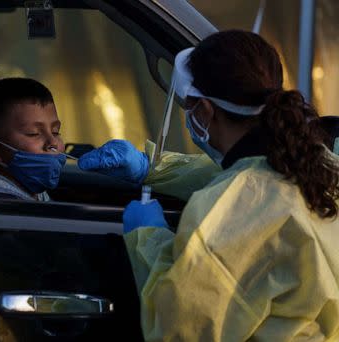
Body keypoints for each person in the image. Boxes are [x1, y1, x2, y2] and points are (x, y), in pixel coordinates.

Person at [97, 30, 339, 341]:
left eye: (189, 106)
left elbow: (181, 329)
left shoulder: (227, 210)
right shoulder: (319, 164)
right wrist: (153, 168)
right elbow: (247, 176)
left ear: (205, 110)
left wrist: (148, 242)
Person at [0, 77, 151, 201]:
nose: (53, 143)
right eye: (33, 133)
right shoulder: (0, 204)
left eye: (56, 131)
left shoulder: (33, 194)